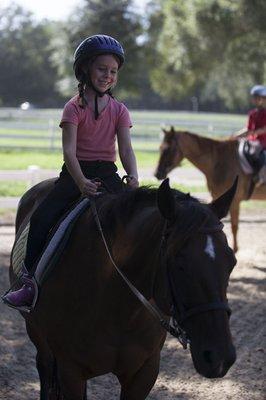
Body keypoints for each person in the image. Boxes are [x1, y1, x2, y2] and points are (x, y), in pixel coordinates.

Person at [2, 34, 139, 310]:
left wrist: (133, 175)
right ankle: (29, 283)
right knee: (42, 218)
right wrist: (81, 182)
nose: (108, 76)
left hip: (108, 173)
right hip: (76, 172)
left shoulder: (120, 111)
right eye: (102, 69)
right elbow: (69, 152)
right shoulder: (73, 108)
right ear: (86, 69)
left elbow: (126, 149)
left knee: (131, 220)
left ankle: (134, 279)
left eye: (113, 72)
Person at [233, 85, 266, 185]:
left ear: (263, 99)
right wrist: (236, 135)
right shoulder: (252, 113)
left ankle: (260, 175)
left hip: (262, 141)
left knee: (254, 151)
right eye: (254, 98)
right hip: (252, 140)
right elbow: (248, 128)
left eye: (257, 98)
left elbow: (264, 129)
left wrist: (253, 133)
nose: (255, 100)